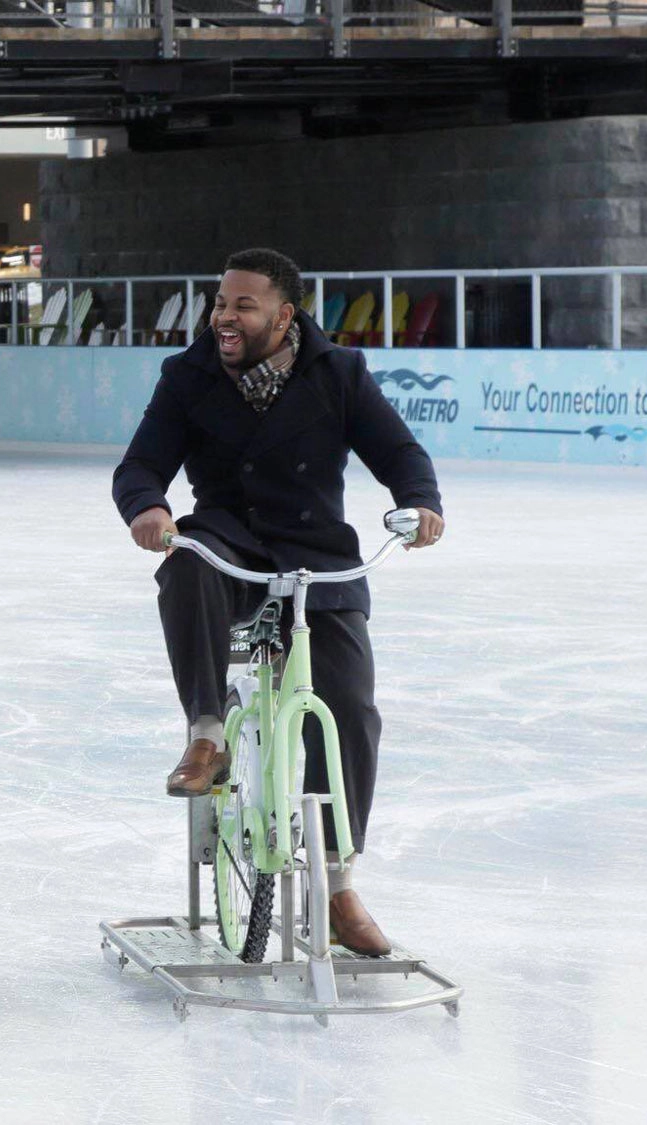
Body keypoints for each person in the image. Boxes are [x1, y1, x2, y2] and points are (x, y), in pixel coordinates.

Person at [113, 247, 444, 957]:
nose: (224, 318)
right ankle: (207, 732)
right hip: (231, 540)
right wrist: (149, 508)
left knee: (351, 710)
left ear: (284, 315)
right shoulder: (189, 374)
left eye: (243, 306)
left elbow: (400, 453)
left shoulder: (338, 374)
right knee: (186, 566)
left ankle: (338, 885)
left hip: (318, 553)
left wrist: (420, 504)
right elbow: (141, 464)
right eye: (220, 304)